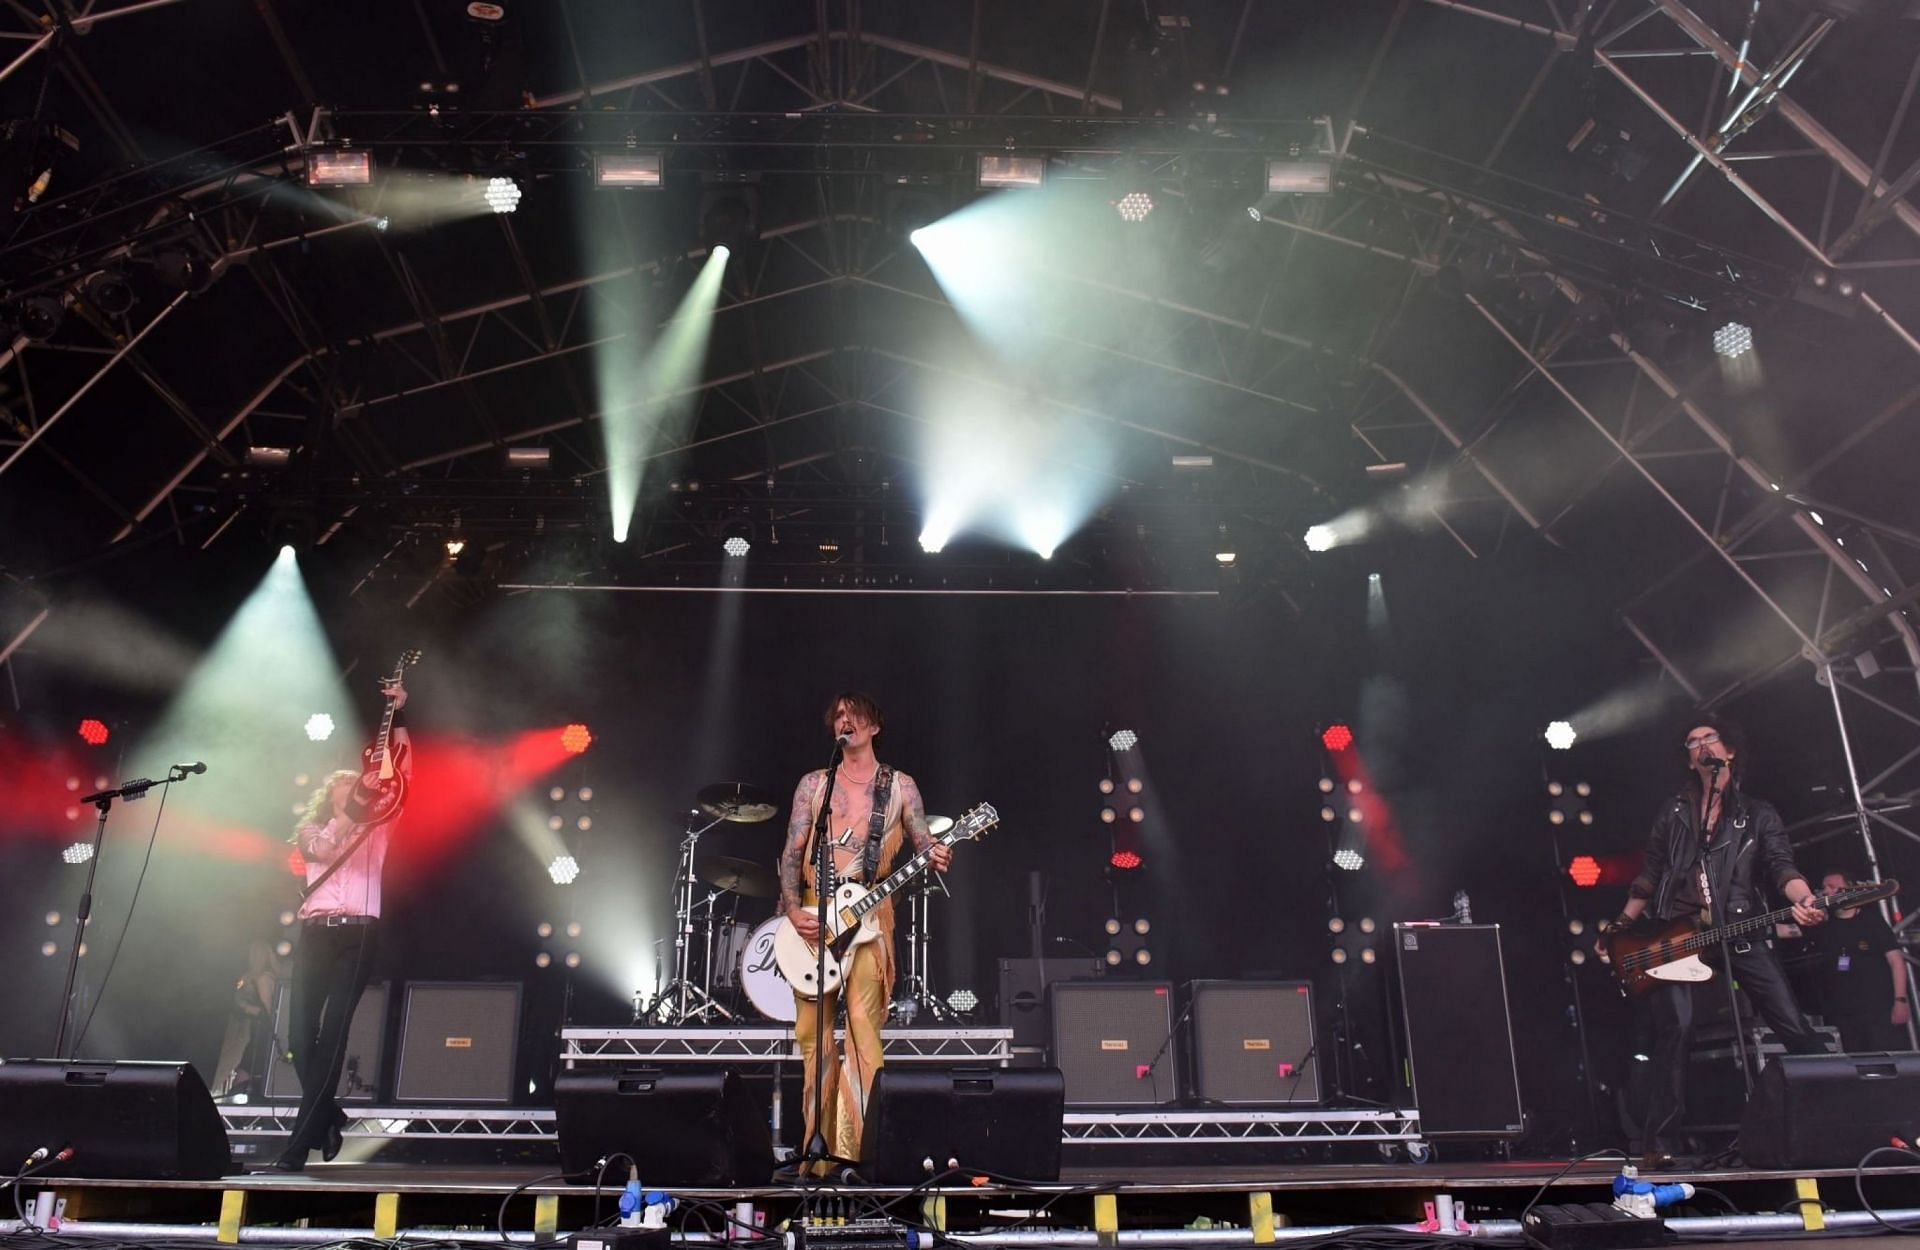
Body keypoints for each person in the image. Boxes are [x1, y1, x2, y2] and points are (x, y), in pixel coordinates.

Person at [1608, 715, 1829, 1167]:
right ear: (1689, 760)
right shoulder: (1673, 813)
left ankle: (1831, 1120)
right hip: (1675, 930)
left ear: (1728, 750)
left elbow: (1781, 866)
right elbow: (1650, 873)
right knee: (1677, 1030)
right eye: (1691, 741)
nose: (1700, 744)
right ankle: (1659, 1142)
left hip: (1740, 928)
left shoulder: (1757, 813)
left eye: (1708, 737)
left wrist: (1805, 899)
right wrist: (1619, 928)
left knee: (1792, 1024)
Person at [776, 692, 950, 1178]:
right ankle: (817, 1152)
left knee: (863, 1031)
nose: (844, 721)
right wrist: (792, 908)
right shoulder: (814, 783)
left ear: (875, 725)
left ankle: (866, 1151)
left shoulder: (900, 786)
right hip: (815, 916)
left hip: (870, 922)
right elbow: (791, 852)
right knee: (812, 1038)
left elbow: (922, 839)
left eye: (854, 715)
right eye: (837, 715)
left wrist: (937, 852)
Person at [257, 680, 412, 1173]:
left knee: (335, 1035)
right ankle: (328, 1112)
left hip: (359, 933)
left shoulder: (379, 828)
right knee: (303, 1035)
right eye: (347, 792)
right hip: (317, 932)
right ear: (332, 799)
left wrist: (400, 714)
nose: (359, 796)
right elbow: (321, 850)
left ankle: (295, 1149)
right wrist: (349, 812)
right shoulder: (312, 831)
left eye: (360, 790)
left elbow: (402, 774)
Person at [1806, 870, 1910, 1052]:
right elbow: (1790, 931)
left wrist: (1900, 1000)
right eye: (1824, 888)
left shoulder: (1871, 920)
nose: (1827, 891)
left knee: (1888, 1058)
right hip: (1843, 1013)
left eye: (1833, 887)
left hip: (1878, 1008)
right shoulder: (1825, 926)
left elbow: (1896, 961)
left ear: (1849, 889)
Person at [213, 939, 288, 1101]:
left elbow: (270, 1010)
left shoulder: (264, 979)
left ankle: (240, 1100)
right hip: (244, 1027)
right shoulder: (247, 977)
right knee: (241, 1063)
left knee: (248, 1064)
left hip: (258, 1031)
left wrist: (251, 1010)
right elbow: (237, 997)